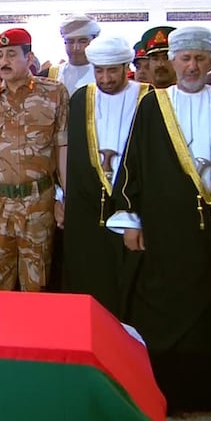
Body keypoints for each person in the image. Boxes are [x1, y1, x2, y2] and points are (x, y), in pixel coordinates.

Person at [108, 26, 211, 412]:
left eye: (200, 59)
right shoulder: (153, 105)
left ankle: (208, 393)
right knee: (162, 307)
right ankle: (163, 393)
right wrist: (130, 221)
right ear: (173, 60)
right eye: (185, 58)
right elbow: (132, 165)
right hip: (162, 229)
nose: (192, 66)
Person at [58, 36, 149, 318]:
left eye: (113, 71)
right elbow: (66, 152)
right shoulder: (82, 97)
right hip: (86, 207)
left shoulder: (149, 98)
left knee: (132, 280)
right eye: (100, 71)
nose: (106, 78)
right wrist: (61, 195)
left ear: (126, 67)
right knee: (88, 277)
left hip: (133, 206)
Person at [0, 28, 69, 291]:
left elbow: (62, 147)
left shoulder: (54, 93)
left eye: (11, 54)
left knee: (36, 283)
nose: (4, 61)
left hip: (38, 203)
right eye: (0, 55)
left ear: (29, 58)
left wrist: (65, 197)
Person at [45, 14, 100, 96]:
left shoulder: (104, 75)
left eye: (82, 41)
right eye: (70, 41)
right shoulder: (49, 75)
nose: (76, 47)